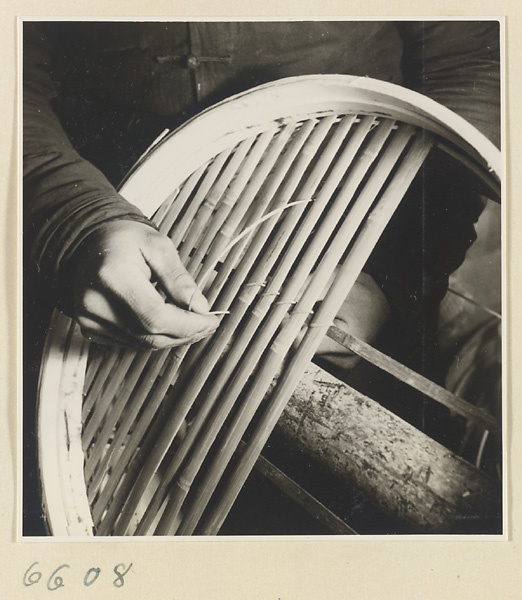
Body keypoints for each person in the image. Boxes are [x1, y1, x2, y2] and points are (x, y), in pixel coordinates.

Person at [22, 21, 500, 532]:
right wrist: (69, 219)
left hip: (360, 294)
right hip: (101, 292)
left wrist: (390, 276)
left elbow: (472, 66)